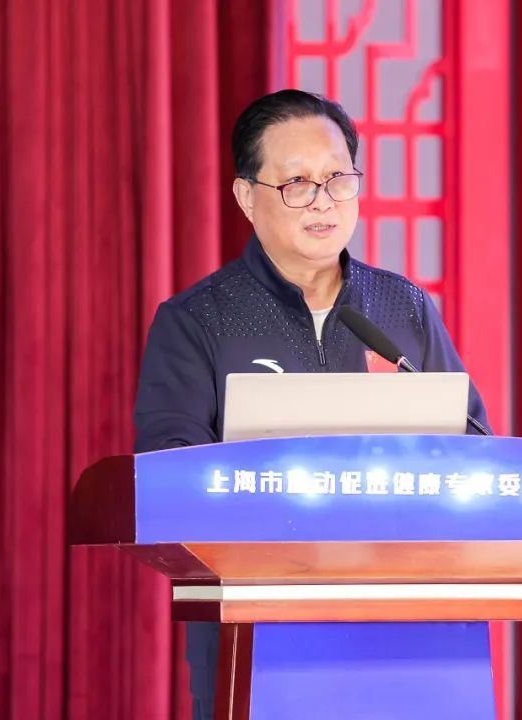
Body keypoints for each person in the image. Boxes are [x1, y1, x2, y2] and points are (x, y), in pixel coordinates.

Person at [132, 89, 490, 720]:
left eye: (337, 178)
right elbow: (169, 480)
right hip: (262, 644)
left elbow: (475, 449)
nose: (323, 201)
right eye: (296, 183)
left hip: (413, 636)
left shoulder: (403, 308)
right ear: (247, 197)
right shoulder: (196, 322)